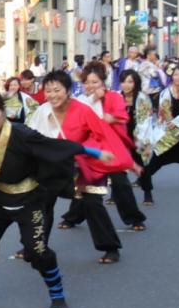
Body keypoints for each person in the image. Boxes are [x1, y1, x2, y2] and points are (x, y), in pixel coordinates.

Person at [0, 89, 117, 308]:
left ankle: (57, 296)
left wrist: (94, 152)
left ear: (3, 111)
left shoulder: (21, 134)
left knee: (37, 250)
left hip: (29, 199)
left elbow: (55, 146)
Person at [27, 69, 133, 264]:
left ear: (68, 90)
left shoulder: (83, 110)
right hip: (53, 166)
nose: (52, 95)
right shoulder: (42, 111)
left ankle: (110, 247)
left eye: (57, 90)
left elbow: (100, 135)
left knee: (92, 203)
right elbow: (31, 138)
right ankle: (36, 245)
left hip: (82, 164)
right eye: (48, 91)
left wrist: (86, 153)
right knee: (43, 204)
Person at [60, 62, 146, 231]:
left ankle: (134, 218)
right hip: (91, 150)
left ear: (103, 82)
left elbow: (122, 117)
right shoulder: (81, 100)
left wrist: (111, 118)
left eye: (95, 82)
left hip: (112, 147)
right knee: (86, 185)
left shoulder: (114, 96)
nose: (90, 86)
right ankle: (72, 217)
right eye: (87, 82)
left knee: (121, 183)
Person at [138, 63, 179, 204]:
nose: (178, 77)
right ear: (171, 77)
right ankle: (142, 178)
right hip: (167, 129)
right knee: (157, 158)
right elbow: (165, 115)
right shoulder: (165, 93)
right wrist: (178, 130)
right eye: (176, 75)